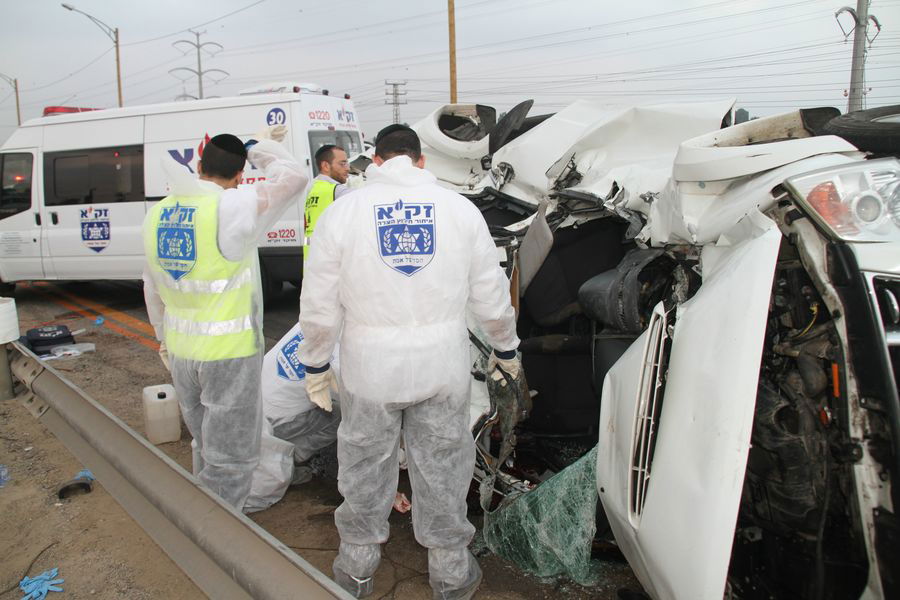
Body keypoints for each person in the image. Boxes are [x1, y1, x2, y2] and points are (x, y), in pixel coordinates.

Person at [297, 124, 521, 599]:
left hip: (369, 368)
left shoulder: (344, 213)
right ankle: (451, 576)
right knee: (443, 467)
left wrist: (316, 364)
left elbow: (319, 303)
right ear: (421, 162)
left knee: (363, 468)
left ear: (376, 161)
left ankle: (356, 574)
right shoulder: (460, 211)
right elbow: (491, 294)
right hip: (442, 365)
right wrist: (506, 348)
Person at [143, 126, 307, 510]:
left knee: (206, 443)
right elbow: (294, 177)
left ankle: (205, 512)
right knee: (232, 458)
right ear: (238, 176)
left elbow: (151, 287)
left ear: (199, 165)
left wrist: (162, 338)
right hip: (228, 356)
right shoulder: (232, 207)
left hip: (182, 353)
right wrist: (260, 148)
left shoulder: (159, 213)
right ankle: (220, 536)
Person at [303, 144, 351, 260]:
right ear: (325, 166)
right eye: (342, 163)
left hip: (312, 259)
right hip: (332, 262)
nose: (348, 168)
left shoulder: (312, 187)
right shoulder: (337, 190)